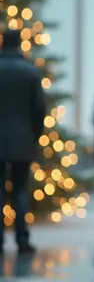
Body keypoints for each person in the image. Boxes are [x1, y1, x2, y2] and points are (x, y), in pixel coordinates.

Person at [0, 29, 46, 254]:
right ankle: (22, 239)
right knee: (19, 190)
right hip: (23, 140)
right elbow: (39, 110)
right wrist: (34, 135)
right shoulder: (30, 72)